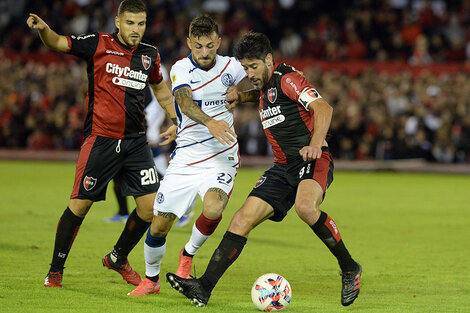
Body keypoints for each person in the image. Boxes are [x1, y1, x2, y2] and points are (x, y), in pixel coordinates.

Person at [166, 32, 362, 307]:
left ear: (269, 59)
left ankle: (349, 267)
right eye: (245, 68)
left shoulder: (288, 79)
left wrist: (316, 144)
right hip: (282, 168)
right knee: (240, 220)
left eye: (254, 66)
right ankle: (203, 287)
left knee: (306, 208)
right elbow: (264, 94)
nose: (249, 73)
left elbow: (323, 108)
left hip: (312, 160)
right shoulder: (266, 84)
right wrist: (241, 95)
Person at [27, 0, 178, 288]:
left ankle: (118, 257)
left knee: (150, 209)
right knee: (79, 207)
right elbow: (58, 42)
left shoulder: (150, 54)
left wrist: (175, 119)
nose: (136, 29)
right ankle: (55, 271)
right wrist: (44, 30)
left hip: (136, 143)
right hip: (101, 140)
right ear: (118, 22)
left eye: (141, 24)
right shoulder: (97, 43)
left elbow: (159, 86)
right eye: (131, 23)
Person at [127, 14, 253, 296]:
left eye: (210, 45)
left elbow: (261, 88)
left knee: (213, 209)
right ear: (189, 43)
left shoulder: (232, 67)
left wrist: (242, 96)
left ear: (219, 42)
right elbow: (183, 102)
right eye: (198, 46)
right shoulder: (181, 68)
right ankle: (151, 280)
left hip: (222, 155)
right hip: (186, 156)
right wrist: (208, 122)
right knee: (160, 224)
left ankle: (188, 254)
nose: (205, 52)